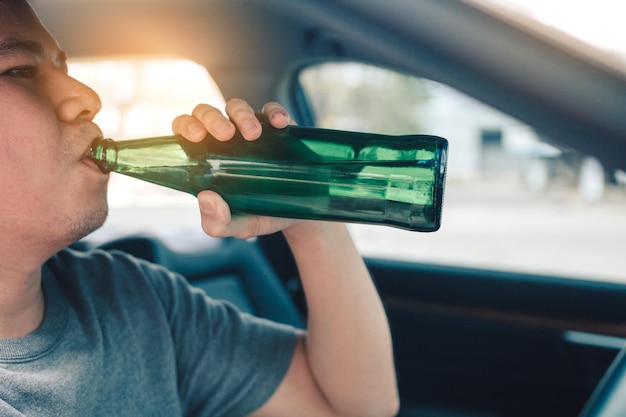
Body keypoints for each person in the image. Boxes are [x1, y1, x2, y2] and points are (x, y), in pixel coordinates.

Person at [0, 1, 399, 416]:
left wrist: (309, 217)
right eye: (19, 70)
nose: (87, 97)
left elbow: (352, 408)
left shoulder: (132, 297)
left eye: (63, 68)